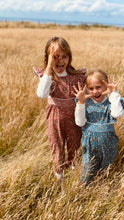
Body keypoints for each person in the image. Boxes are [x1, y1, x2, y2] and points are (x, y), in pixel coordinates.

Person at [33, 37, 86, 180]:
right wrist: (49, 67)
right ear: (48, 58)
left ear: (69, 57)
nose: (60, 60)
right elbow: (41, 94)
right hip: (54, 116)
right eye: (55, 56)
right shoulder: (48, 76)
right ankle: (59, 178)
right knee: (57, 147)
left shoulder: (76, 76)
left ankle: (75, 176)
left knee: (75, 145)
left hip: (74, 116)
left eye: (64, 56)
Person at [73, 69, 124, 185]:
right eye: (91, 88)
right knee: (87, 173)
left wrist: (113, 93)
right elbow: (80, 122)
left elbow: (117, 114)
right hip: (90, 145)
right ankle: (85, 192)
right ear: (87, 88)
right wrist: (80, 104)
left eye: (99, 87)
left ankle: (102, 191)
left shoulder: (111, 103)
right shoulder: (85, 103)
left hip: (109, 145)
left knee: (105, 172)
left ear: (105, 86)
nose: (95, 91)